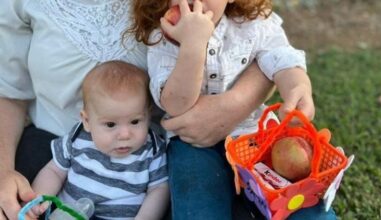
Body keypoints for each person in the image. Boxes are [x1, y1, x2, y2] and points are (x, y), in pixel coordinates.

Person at [0, 0, 274, 219]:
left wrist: (236, 103)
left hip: (163, 160)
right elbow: (7, 93)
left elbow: (263, 42)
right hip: (55, 151)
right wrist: (2, 172)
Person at [129, 0, 336, 219]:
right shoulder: (163, 37)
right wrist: (193, 44)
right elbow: (175, 104)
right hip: (194, 143)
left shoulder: (253, 24)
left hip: (255, 135)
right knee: (198, 199)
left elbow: (281, 57)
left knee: (298, 199)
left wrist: (298, 86)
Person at [27, 61, 169, 219]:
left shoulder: (152, 149)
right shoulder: (77, 138)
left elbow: (159, 190)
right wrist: (39, 199)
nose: (124, 135)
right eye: (110, 124)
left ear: (148, 115)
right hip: (70, 215)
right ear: (86, 121)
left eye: (135, 121)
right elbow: (54, 171)